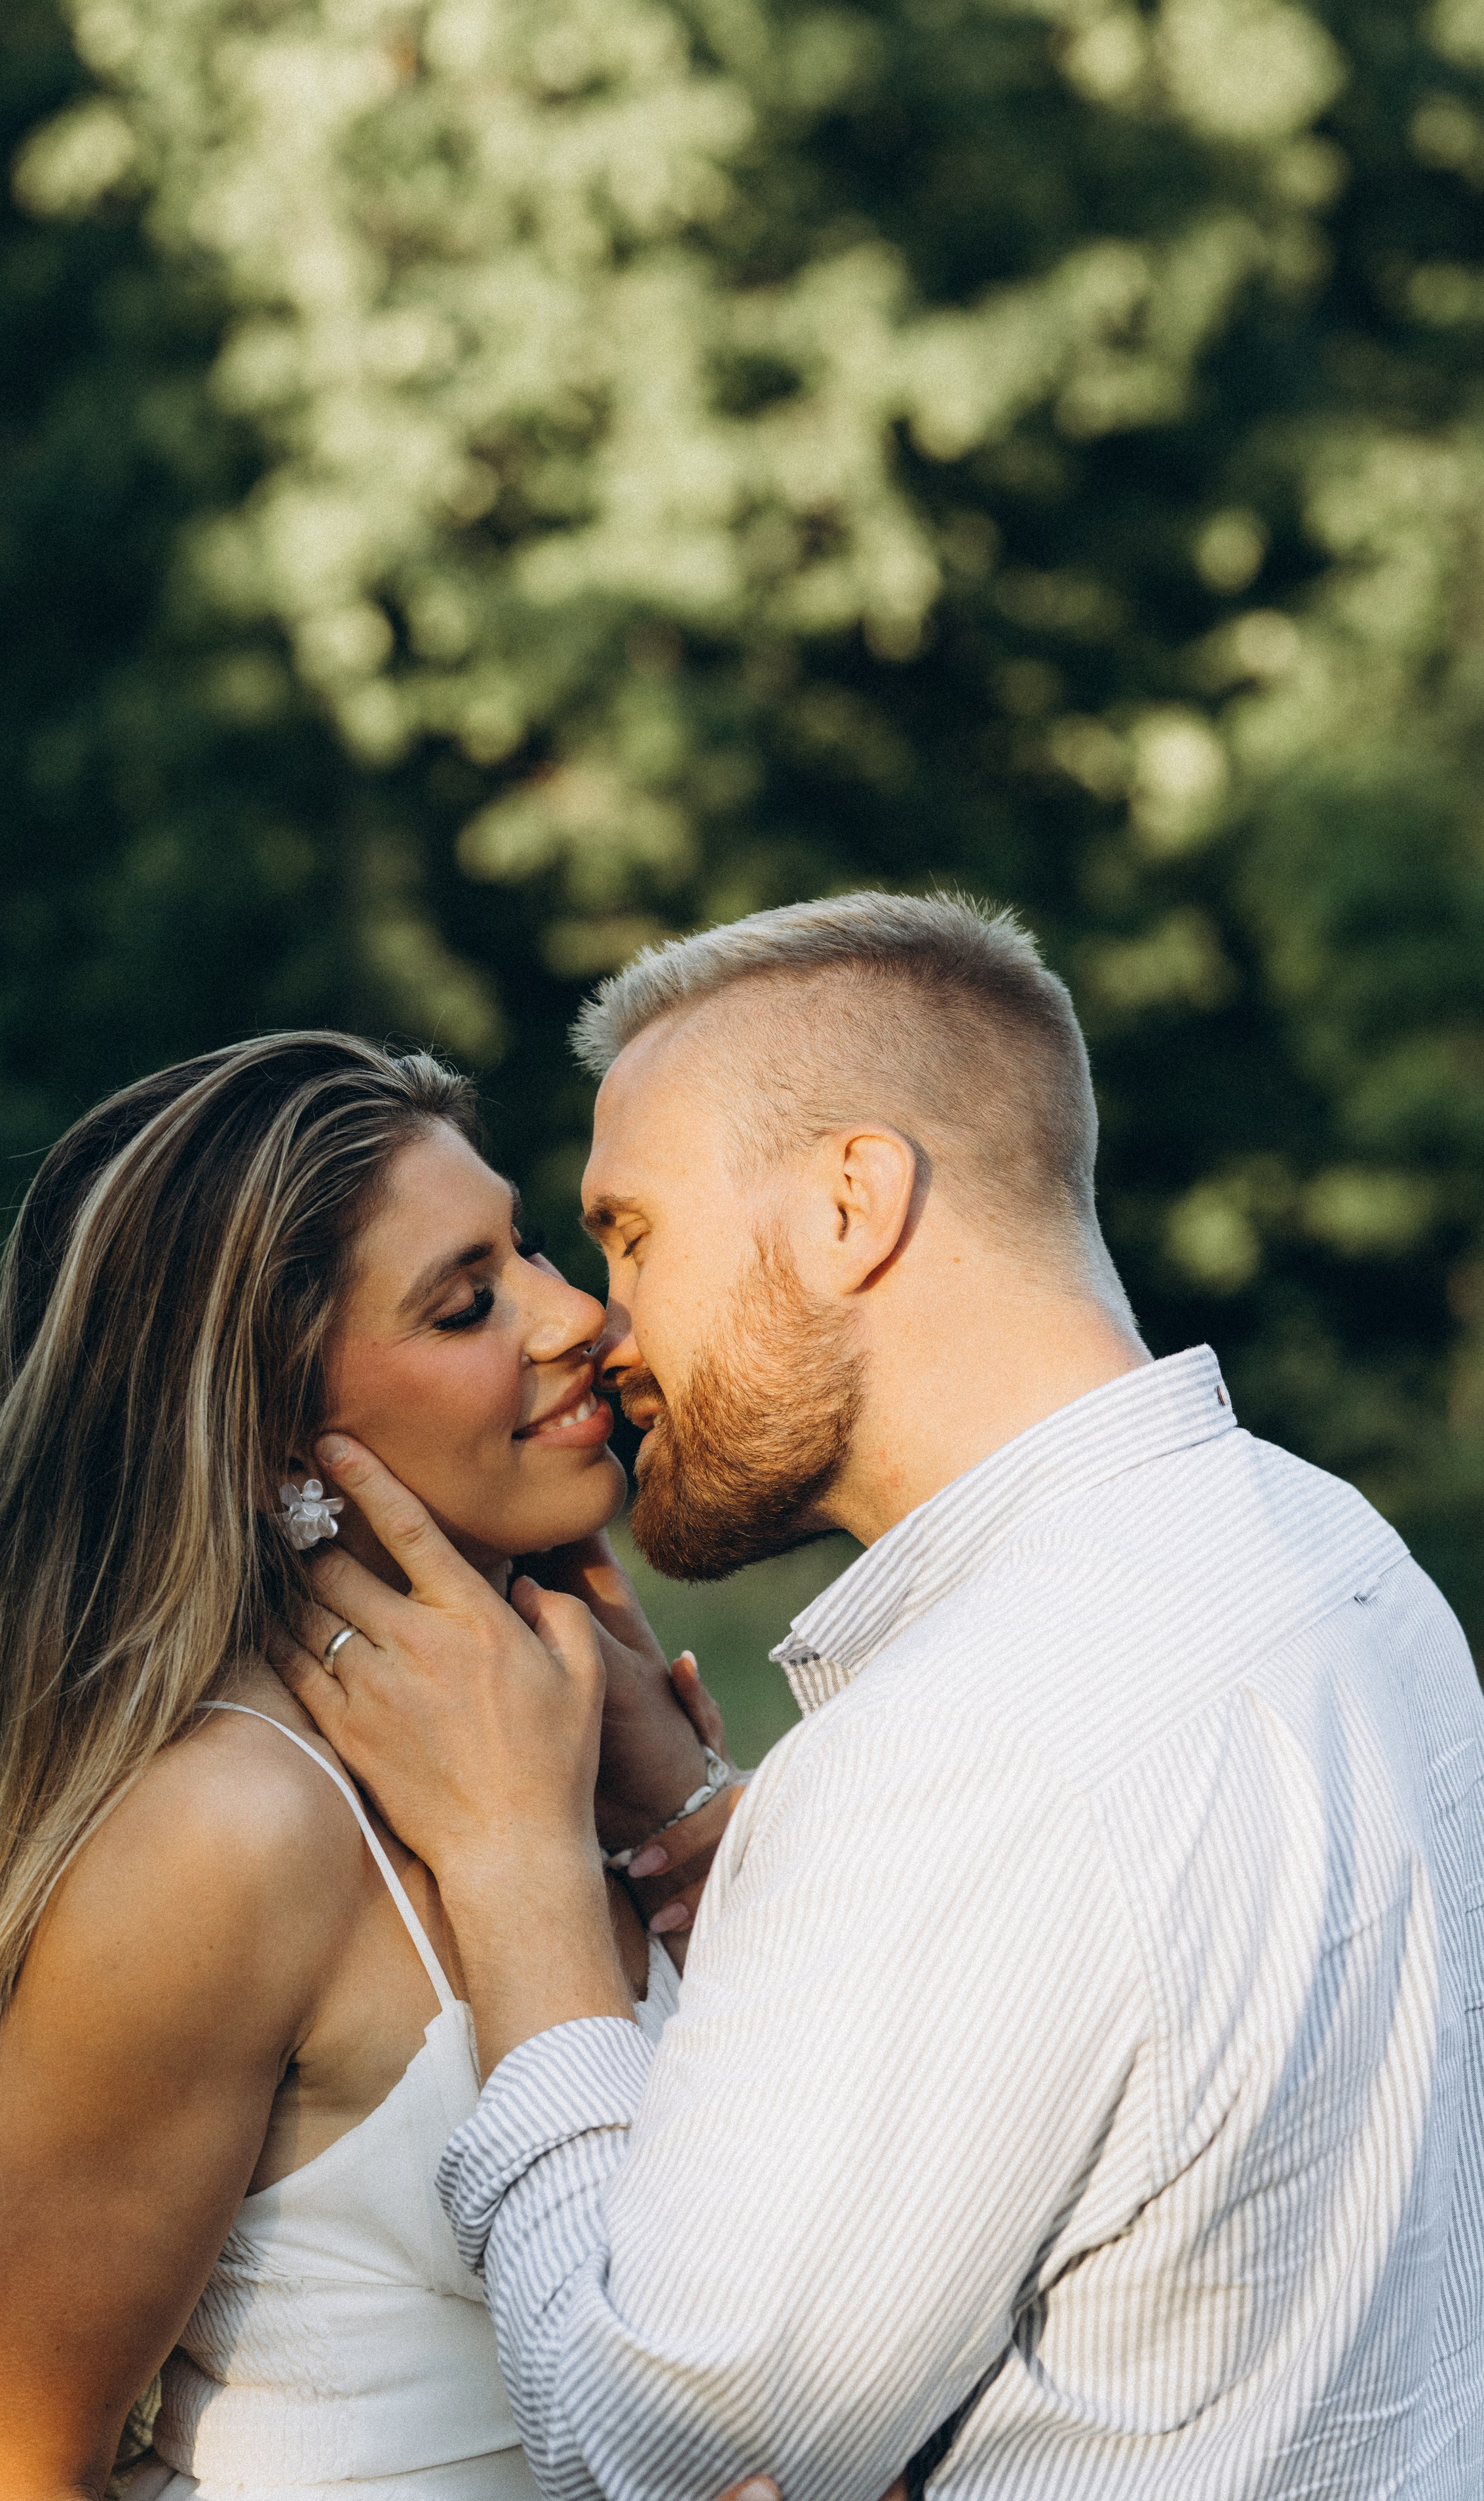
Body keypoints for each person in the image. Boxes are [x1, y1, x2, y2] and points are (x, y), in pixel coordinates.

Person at [280, 891, 1484, 2501]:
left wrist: (517, 1873)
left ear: (851, 1204)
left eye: (631, 1232)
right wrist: (731, 1851)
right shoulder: (1328, 1548)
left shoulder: (963, 1752)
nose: (598, 1323)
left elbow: (641, 2450)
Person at [0, 1030, 734, 2501]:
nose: (575, 1314)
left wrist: (695, 1812)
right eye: (467, 1303)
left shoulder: (593, 1736)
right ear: (275, 1429)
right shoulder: (232, 1830)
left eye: (526, 1250)